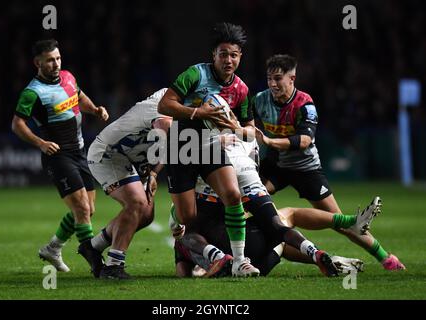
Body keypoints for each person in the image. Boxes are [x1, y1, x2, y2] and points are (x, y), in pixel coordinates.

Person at [253, 54, 405, 271]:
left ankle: (387, 259)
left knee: (340, 223)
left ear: (292, 78)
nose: (272, 84)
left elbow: (304, 141)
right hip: (276, 166)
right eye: (269, 79)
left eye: (278, 79)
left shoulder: (305, 104)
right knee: (248, 198)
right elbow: (246, 123)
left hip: (306, 169)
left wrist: (269, 140)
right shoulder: (259, 100)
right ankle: (239, 253)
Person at [171, 136, 378, 277]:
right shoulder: (231, 165)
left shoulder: (194, 186)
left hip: (240, 258)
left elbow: (182, 269)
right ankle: (334, 237)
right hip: (254, 250)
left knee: (187, 238)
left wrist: (199, 267)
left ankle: (220, 258)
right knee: (286, 218)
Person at [157, 22, 260, 276]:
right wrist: (197, 112)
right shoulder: (195, 74)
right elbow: (164, 105)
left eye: (233, 55)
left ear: (240, 57)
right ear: (213, 55)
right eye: (223, 54)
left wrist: (236, 127)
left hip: (211, 145)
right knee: (188, 216)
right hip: (182, 144)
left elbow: (250, 131)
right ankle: (175, 213)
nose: (228, 60)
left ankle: (239, 261)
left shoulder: (241, 89)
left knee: (233, 195)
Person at [11, 39, 109, 274]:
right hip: (58, 156)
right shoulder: (32, 93)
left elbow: (79, 97)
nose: (55, 64)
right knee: (82, 210)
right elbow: (17, 124)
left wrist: (95, 109)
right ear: (38, 63)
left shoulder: (68, 77)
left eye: (58, 58)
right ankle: (96, 263)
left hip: (80, 152)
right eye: (49, 60)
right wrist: (41, 143)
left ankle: (53, 248)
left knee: (87, 210)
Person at [86, 88, 172, 279]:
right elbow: (164, 127)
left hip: (130, 158)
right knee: (137, 203)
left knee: (147, 214)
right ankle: (114, 267)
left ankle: (93, 246)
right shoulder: (164, 106)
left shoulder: (176, 104)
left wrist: (154, 174)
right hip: (107, 154)